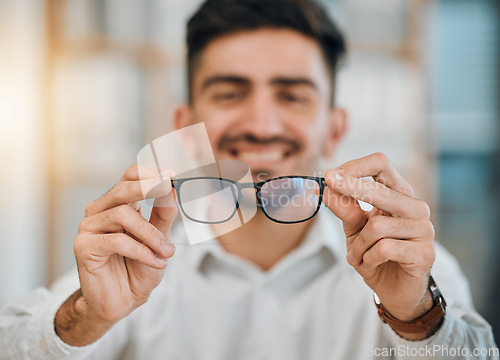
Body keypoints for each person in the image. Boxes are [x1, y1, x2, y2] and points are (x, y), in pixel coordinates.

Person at [0, 0, 498, 359]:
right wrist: (86, 318)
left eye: (292, 95)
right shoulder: (134, 260)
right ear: (184, 127)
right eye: (230, 93)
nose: (261, 123)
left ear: (336, 128)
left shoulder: (405, 268)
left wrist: (416, 318)